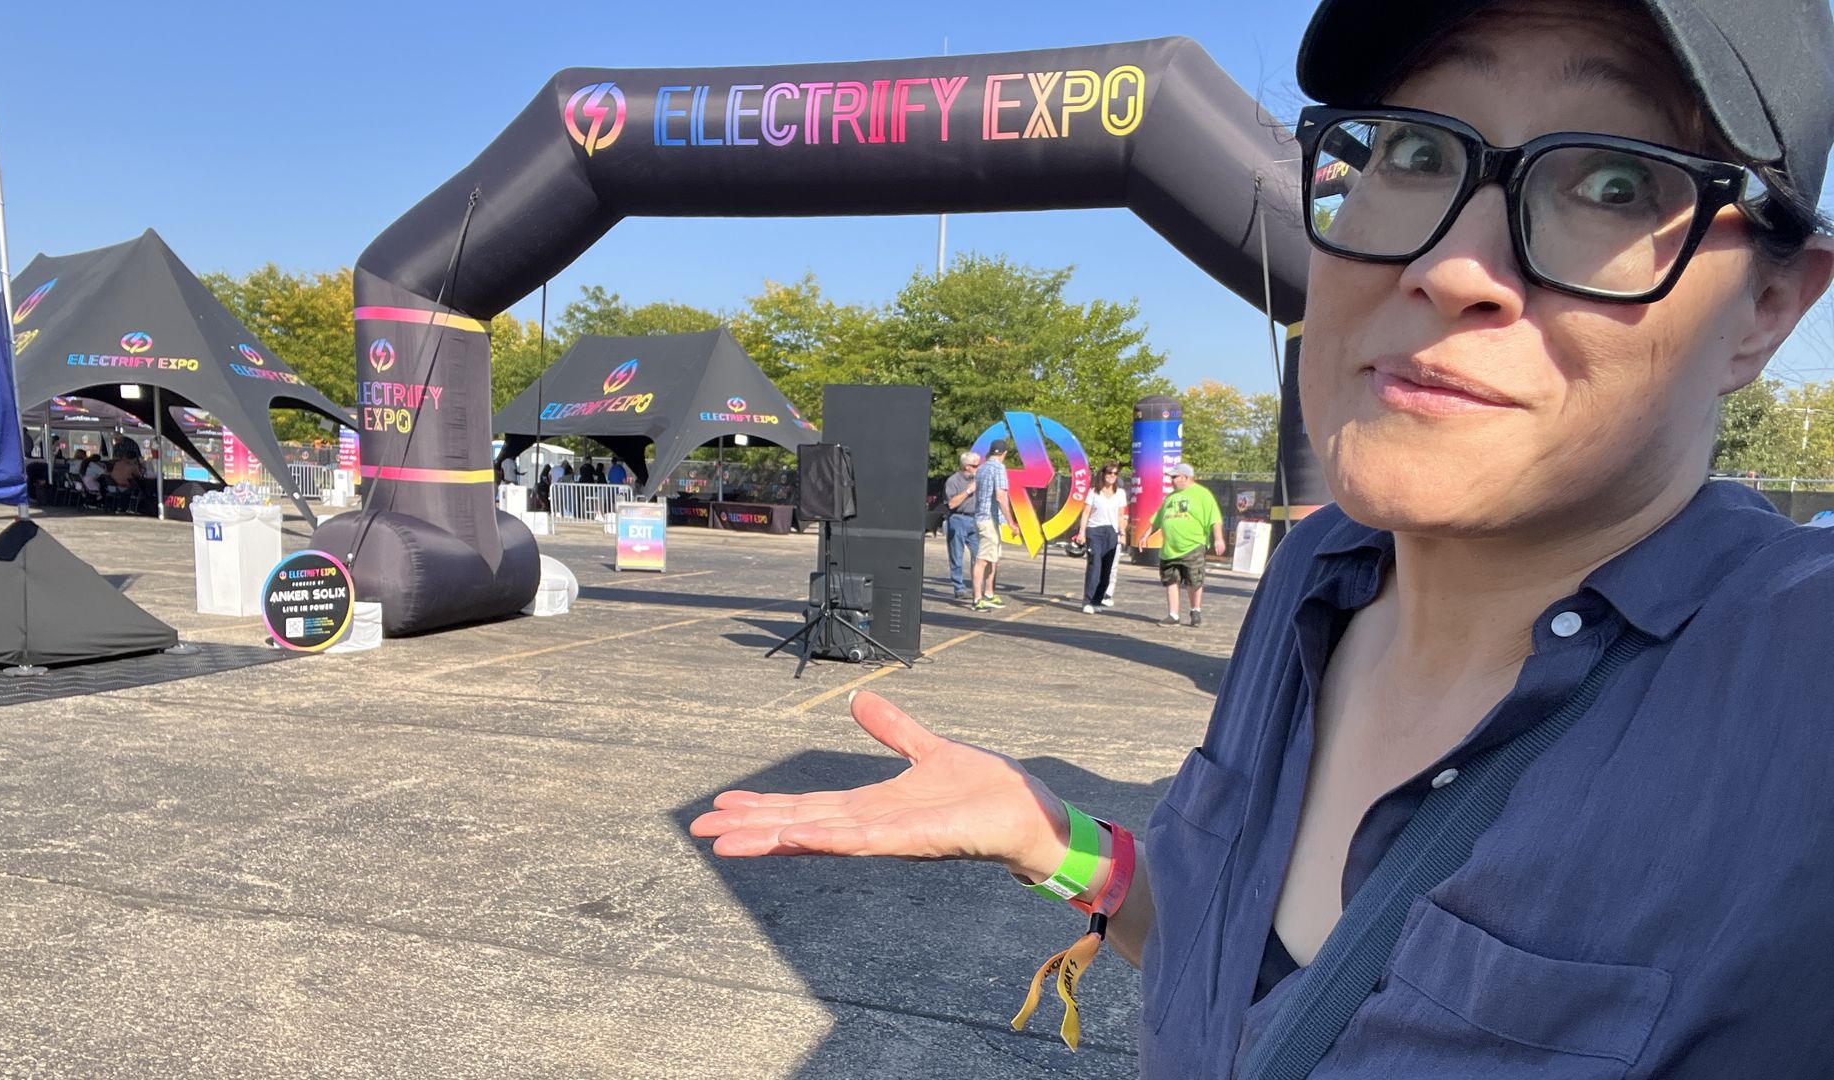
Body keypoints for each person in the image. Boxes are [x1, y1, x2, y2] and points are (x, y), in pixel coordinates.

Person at [690, 1, 1834, 1074]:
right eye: (1418, 151)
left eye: (1614, 181)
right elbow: (1243, 966)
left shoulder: (1794, 684)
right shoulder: (1315, 577)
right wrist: (1049, 839)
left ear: (1771, 308)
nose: (1447, 267)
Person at [1135, 464, 1225, 627]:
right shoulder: (1170, 498)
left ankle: (1195, 610)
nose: (1172, 480)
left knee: (1194, 579)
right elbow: (1157, 520)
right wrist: (1145, 535)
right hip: (1169, 548)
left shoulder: (1202, 494)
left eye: (1175, 477)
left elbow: (1214, 519)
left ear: (1186, 477)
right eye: (1171, 477)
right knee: (1171, 580)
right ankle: (1173, 615)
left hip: (1193, 545)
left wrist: (1219, 539)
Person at [1074, 462, 1127, 614]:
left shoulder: (1120, 493)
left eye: (1115, 474)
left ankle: (1097, 599)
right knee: (1095, 565)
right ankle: (1088, 600)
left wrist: (1122, 533)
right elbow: (1086, 513)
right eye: (1109, 473)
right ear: (1103, 474)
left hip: (1111, 532)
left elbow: (1120, 515)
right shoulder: (1094, 492)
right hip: (1095, 531)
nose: (1112, 476)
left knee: (1107, 568)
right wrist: (1082, 532)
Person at [969, 439, 1013, 611]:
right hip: (989, 518)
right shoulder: (999, 468)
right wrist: (1011, 522)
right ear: (1004, 454)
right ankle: (977, 599)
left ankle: (988, 593)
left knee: (993, 558)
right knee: (982, 560)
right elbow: (1001, 497)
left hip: (981, 516)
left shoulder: (982, 468)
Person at [943, 452, 982, 600]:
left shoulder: (978, 479)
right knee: (957, 555)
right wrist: (968, 491)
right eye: (975, 466)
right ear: (967, 466)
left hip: (975, 519)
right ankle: (959, 588)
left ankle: (977, 588)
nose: (977, 468)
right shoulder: (953, 481)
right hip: (958, 519)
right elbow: (952, 503)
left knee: (978, 555)